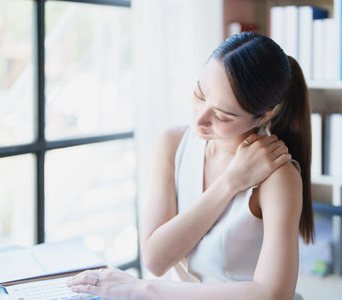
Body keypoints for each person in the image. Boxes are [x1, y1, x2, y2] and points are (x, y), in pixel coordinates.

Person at [68, 31, 314, 300]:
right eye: (199, 94)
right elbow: (156, 259)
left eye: (222, 115)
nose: (200, 119)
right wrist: (230, 182)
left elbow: (273, 294)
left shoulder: (279, 176)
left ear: (262, 117)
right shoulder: (174, 143)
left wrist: (144, 289)